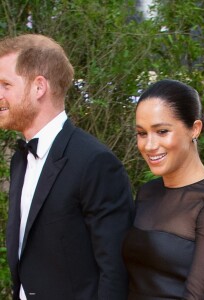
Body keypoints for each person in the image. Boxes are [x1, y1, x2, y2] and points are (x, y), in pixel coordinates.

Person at [0, 33, 134, 300]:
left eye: (5, 84)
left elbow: (116, 272)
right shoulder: (19, 160)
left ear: (39, 87)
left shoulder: (95, 162)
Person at [123, 79, 204, 299]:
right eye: (142, 133)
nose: (149, 145)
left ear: (194, 129)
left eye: (162, 131)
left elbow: (199, 295)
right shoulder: (147, 192)